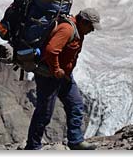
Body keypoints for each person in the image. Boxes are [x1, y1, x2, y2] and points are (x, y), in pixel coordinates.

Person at [24, 8, 101, 150]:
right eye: (91, 26)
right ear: (84, 22)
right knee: (44, 113)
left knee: (76, 104)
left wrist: (63, 71)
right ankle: (32, 147)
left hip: (64, 76)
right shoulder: (67, 29)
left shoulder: (79, 30)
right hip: (48, 76)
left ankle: (76, 141)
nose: (92, 30)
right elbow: (51, 50)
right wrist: (56, 69)